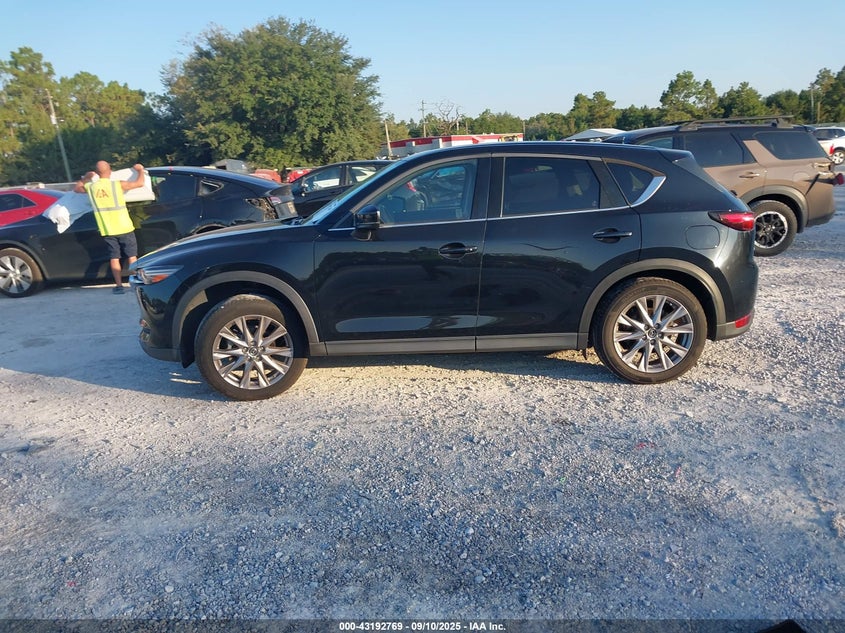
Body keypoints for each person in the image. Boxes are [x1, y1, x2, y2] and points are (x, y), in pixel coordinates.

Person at [74, 161, 146, 294]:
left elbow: (77, 188)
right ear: (110, 171)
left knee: (114, 257)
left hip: (107, 229)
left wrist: (87, 177)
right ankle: (137, 284)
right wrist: (140, 170)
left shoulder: (91, 187)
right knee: (132, 256)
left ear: (97, 173)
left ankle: (119, 286)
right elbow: (140, 183)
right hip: (124, 226)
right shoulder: (117, 184)